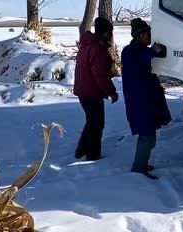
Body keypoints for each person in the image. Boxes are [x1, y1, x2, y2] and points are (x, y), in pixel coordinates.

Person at [121, 18, 171, 180]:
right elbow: (137, 65)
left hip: (146, 99)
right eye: (146, 33)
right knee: (146, 136)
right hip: (139, 101)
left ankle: (142, 163)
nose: (149, 35)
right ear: (138, 36)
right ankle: (138, 168)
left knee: (150, 135)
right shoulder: (129, 51)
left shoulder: (141, 49)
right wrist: (152, 51)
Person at [73, 17, 118, 161]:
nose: (111, 35)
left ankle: (81, 150)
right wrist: (112, 92)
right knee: (97, 124)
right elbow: (100, 76)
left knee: (92, 121)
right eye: (110, 32)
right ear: (105, 33)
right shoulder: (97, 49)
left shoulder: (87, 45)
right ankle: (92, 156)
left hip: (84, 91)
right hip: (92, 92)